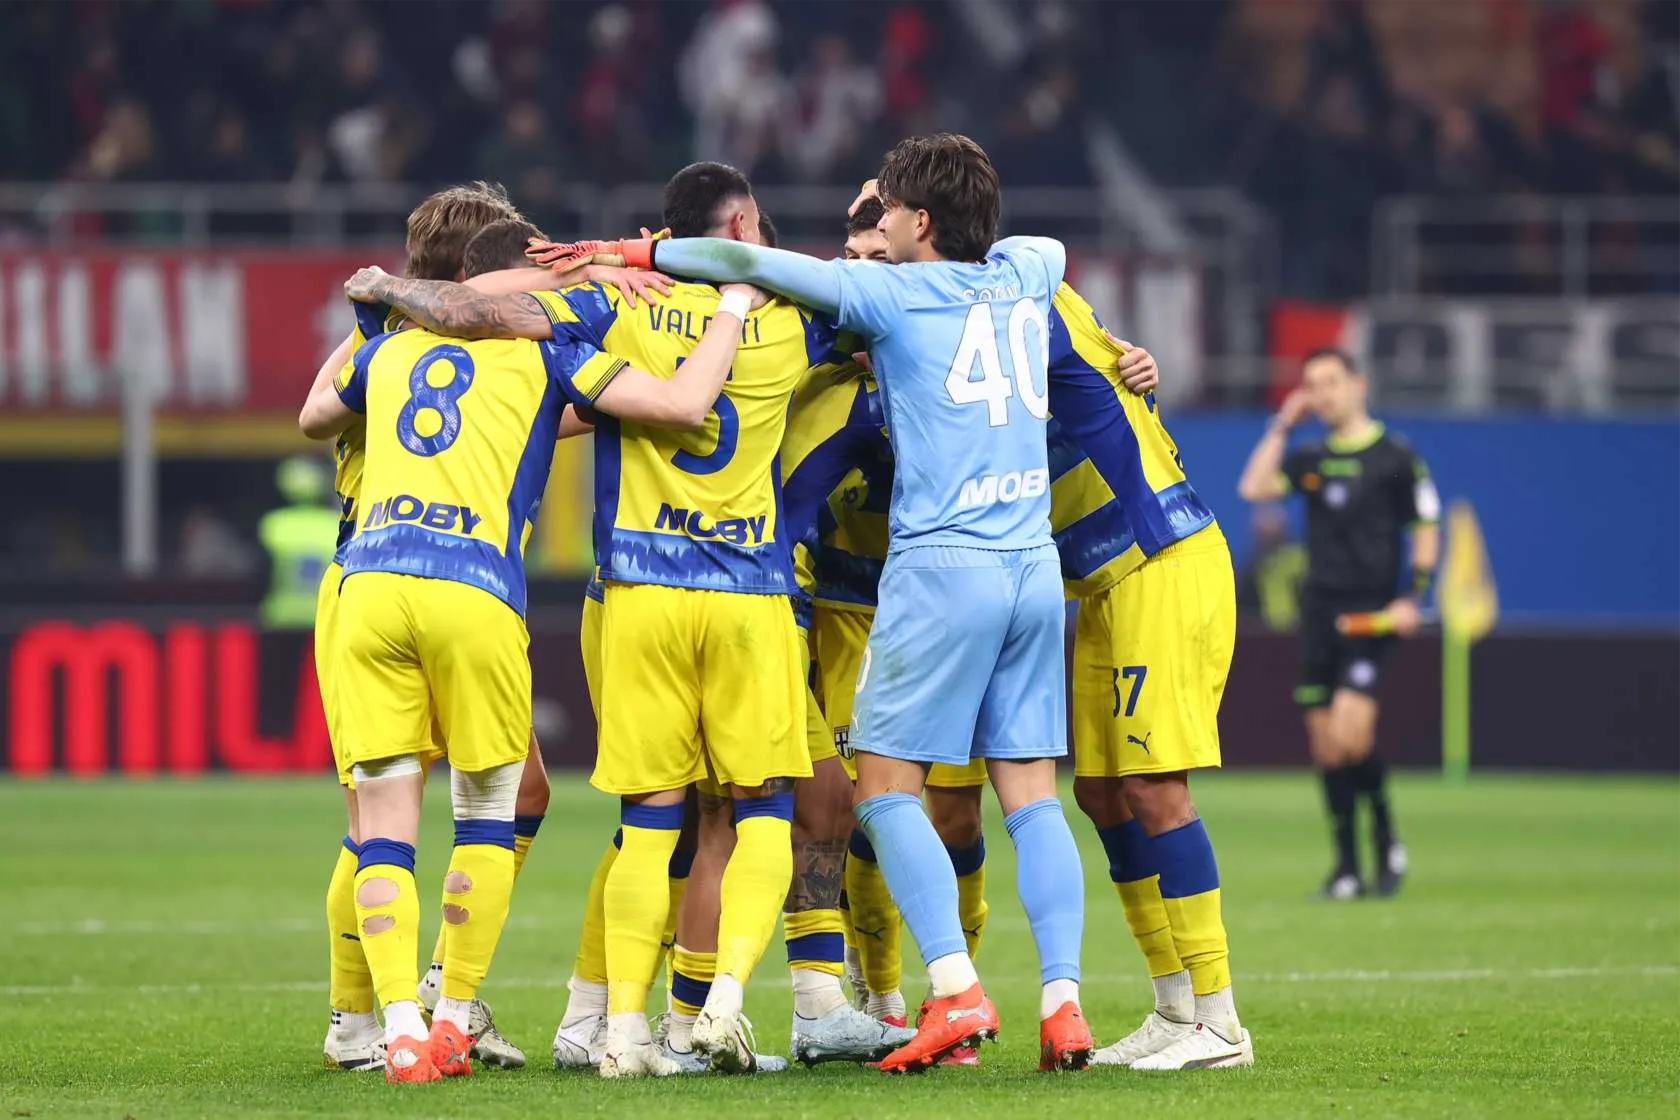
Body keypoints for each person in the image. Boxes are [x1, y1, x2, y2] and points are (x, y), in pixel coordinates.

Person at [535, 133, 1095, 1073]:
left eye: (891, 213)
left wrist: (633, 253)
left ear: (916, 222)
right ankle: (1065, 1003)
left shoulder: (887, 294)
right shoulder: (1030, 271)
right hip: (1032, 568)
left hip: (938, 567)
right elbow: (1040, 251)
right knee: (1034, 799)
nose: (877, 226)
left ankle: (953, 990)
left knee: (877, 791)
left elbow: (745, 264)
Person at [340, 162, 862, 1079]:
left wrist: (391, 292)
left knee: (640, 822)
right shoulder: (795, 317)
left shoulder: (604, 309)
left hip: (620, 594)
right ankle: (720, 1008)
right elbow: (884, 309)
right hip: (744, 594)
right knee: (753, 815)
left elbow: (369, 378)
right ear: (743, 226)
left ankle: (595, 1025)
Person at [299, 239, 755, 1084]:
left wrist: (385, 304)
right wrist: (707, 300)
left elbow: (316, 412)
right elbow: (676, 402)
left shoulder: (388, 346)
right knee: (486, 816)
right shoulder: (552, 353)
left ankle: (391, 1024)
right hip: (472, 587)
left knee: (377, 825)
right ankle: (449, 1017)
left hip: (366, 579)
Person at [1237, 348, 1440, 899]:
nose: (1321, 394)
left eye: (1330, 382)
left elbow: (1426, 526)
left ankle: (1386, 836)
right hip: (1321, 615)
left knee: (1353, 734)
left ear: (1358, 384)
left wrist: (1413, 597)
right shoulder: (1311, 458)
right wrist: (1283, 423)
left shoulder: (1396, 457)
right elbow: (1253, 488)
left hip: (1371, 617)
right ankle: (1347, 868)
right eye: (1311, 385)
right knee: (1327, 747)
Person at [257, 457, 340, 629]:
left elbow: (259, 573)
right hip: (323, 614)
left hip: (281, 615)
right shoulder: (336, 523)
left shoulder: (273, 523)